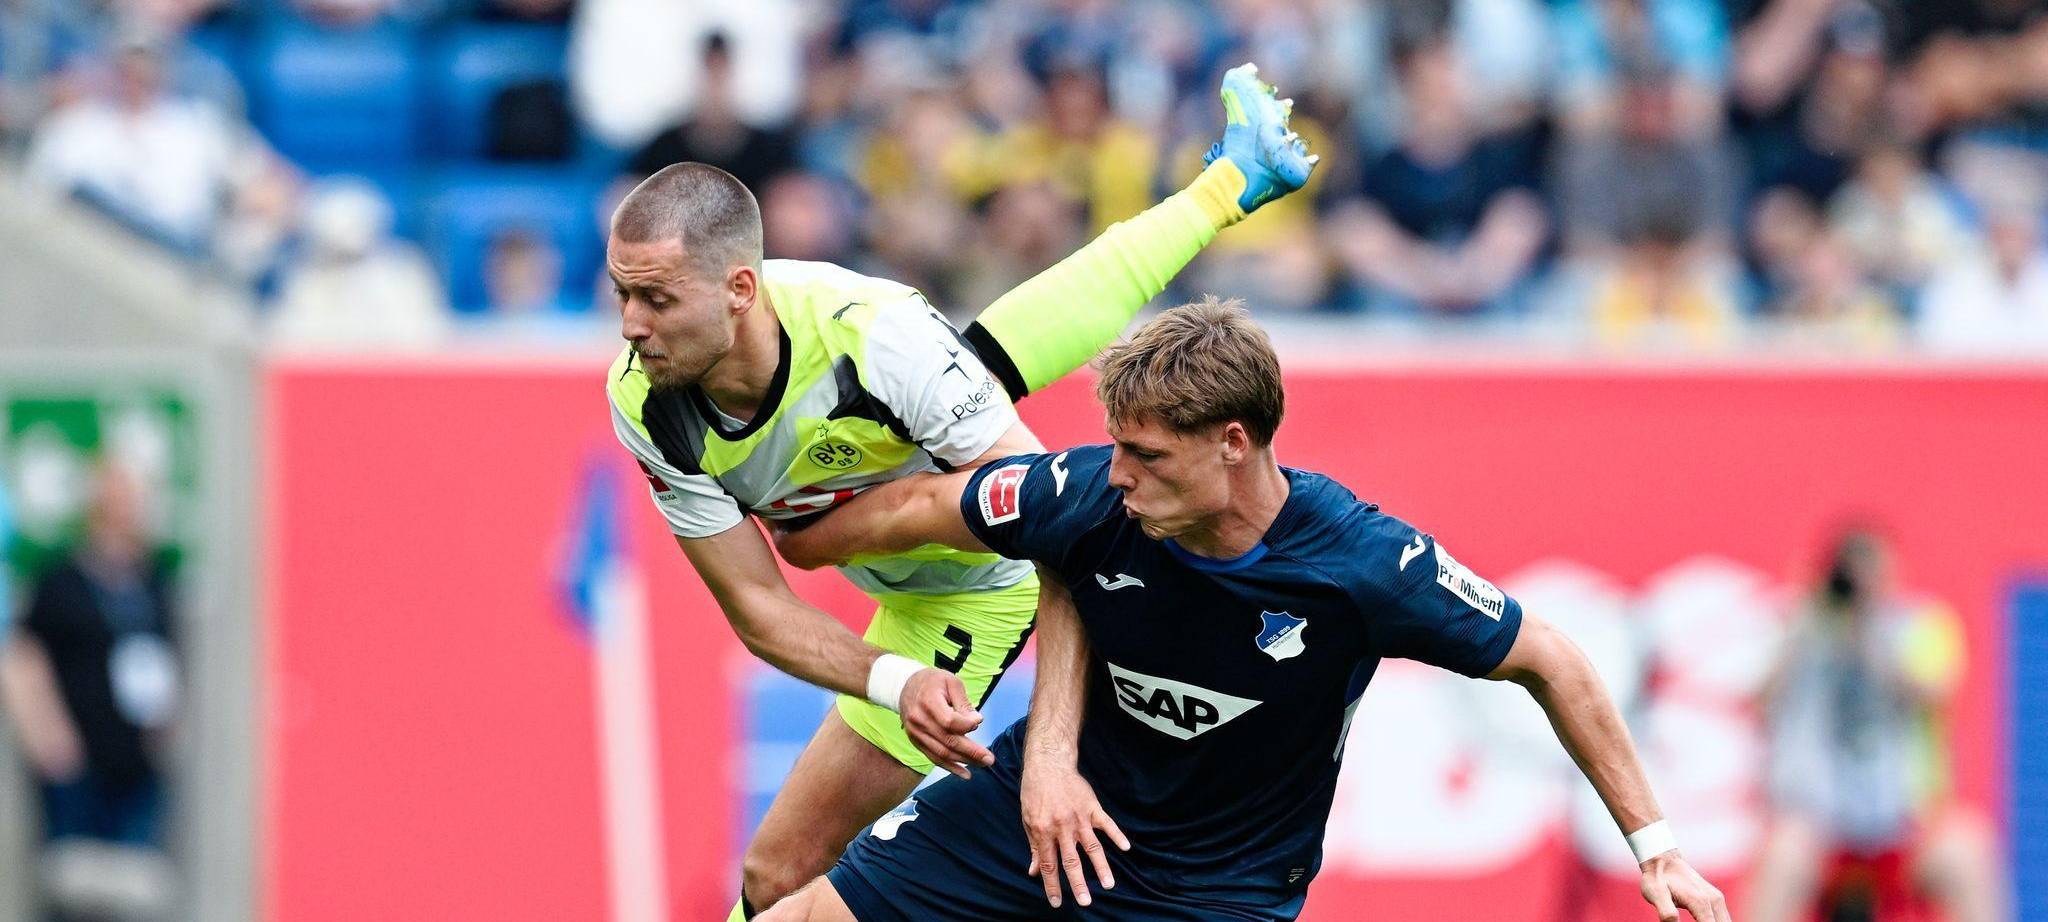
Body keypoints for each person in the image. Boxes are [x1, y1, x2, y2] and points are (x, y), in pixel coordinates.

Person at [603, 65, 1315, 919]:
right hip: (914, 568)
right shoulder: (645, 398)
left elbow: (1056, 523)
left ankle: (1234, 180)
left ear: (740, 290)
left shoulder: (876, 339)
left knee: (786, 869)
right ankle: (1235, 179)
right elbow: (758, 607)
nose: (630, 326)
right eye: (622, 293)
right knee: (776, 879)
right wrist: (892, 679)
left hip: (981, 587)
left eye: (656, 298)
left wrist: (845, 534)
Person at [756, 300, 1729, 921]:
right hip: (1041, 821)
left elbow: (1550, 659)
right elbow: (930, 506)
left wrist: (1657, 851)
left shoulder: (1362, 565)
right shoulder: (1089, 493)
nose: (1119, 475)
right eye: (1116, 447)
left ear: (1232, 442)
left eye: (1147, 457)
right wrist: (783, 526)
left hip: (1216, 892)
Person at [1745, 528, 2006, 922]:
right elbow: (1760, 701)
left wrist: (1868, 630)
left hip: (1905, 824)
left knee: (1967, 850)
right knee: (1782, 855)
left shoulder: (1920, 625)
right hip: (1820, 828)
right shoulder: (1803, 626)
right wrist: (1803, 622)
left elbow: (1931, 690)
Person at [0, 464, 178, 854]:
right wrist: (46, 733)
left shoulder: (153, 581)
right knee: (76, 872)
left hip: (136, 760)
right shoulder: (61, 581)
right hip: (76, 761)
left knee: (133, 874)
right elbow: (24, 656)